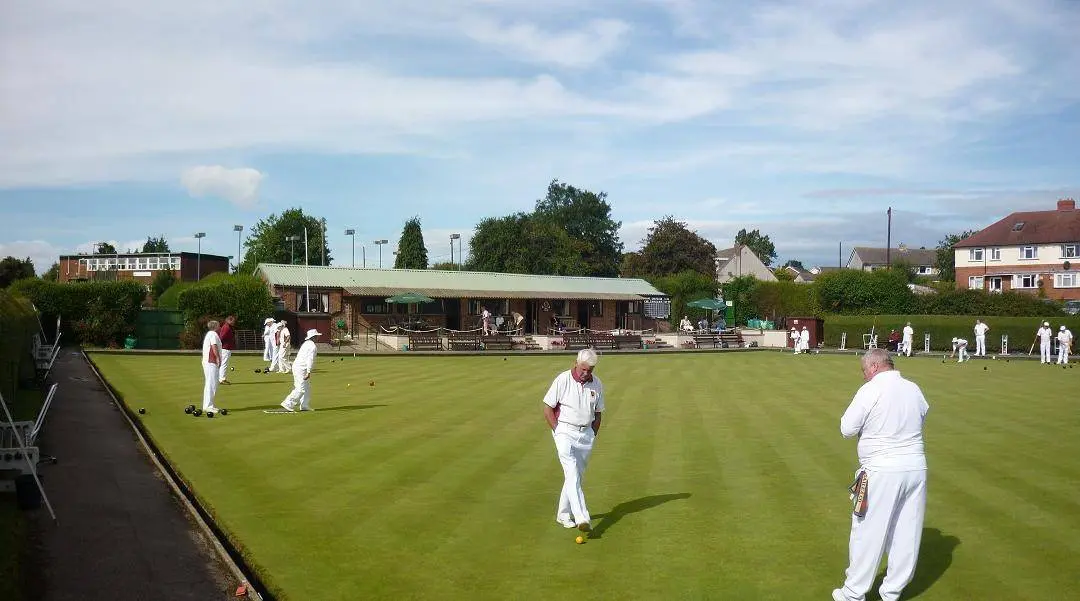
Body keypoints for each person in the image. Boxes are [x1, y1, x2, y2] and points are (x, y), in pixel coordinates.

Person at [833, 348, 929, 601]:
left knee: (867, 532)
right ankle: (891, 593)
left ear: (874, 367)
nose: (864, 376)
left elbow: (846, 428)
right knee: (906, 533)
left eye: (864, 371)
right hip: (916, 468)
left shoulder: (871, 389)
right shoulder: (914, 389)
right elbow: (921, 417)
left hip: (880, 469)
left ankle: (853, 594)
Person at [542, 348, 604, 533]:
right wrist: (558, 430)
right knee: (572, 473)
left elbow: (598, 412)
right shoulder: (563, 379)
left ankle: (563, 514)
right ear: (576, 363)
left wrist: (592, 433)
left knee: (575, 476)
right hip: (564, 432)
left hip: (586, 434)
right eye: (583, 369)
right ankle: (581, 517)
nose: (586, 373)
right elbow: (547, 408)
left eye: (590, 370)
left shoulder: (597, 384)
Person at [280, 329, 322, 412]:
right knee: (300, 388)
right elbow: (310, 360)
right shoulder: (312, 346)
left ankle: (304, 405)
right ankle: (288, 403)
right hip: (301, 369)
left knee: (306, 387)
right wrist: (309, 372)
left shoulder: (306, 343)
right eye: (317, 336)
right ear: (314, 337)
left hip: (299, 367)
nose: (318, 337)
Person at [201, 320, 222, 413]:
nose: (220, 327)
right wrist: (217, 358)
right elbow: (214, 346)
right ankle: (208, 406)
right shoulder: (213, 334)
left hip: (208, 361)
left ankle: (208, 405)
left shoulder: (210, 334)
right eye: (219, 325)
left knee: (210, 383)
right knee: (211, 383)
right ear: (216, 326)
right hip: (211, 361)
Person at [218, 315, 236, 384]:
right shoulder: (226, 328)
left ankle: (221, 378)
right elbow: (221, 338)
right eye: (233, 321)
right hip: (225, 348)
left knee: (224, 363)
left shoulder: (228, 327)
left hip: (226, 348)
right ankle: (222, 379)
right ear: (229, 320)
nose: (234, 322)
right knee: (224, 364)